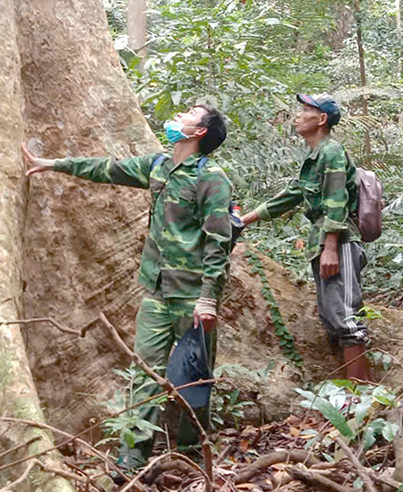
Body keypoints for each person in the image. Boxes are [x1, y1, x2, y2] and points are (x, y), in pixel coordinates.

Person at [21, 104, 233, 468]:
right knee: (144, 373)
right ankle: (131, 460)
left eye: (190, 113)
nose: (180, 115)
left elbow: (219, 243)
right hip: (156, 291)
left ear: (200, 132)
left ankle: (192, 457)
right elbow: (108, 169)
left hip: (192, 296)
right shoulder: (158, 167)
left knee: (194, 379)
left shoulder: (212, 179)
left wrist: (208, 300)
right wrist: (54, 163)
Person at [239, 93, 370, 383]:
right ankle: (350, 392)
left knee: (347, 319)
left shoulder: (332, 151)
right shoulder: (315, 157)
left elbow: (337, 199)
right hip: (323, 243)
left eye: (306, 110)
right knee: (332, 317)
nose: (297, 116)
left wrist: (331, 247)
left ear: (322, 119)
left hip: (340, 242)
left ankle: (363, 398)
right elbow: (293, 194)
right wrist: (247, 218)